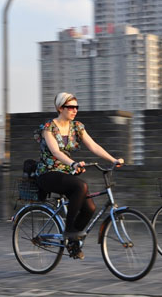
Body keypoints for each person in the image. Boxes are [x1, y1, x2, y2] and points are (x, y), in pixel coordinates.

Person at [34, 92, 124, 259]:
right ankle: (70, 231)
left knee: (90, 208)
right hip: (48, 173)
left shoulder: (77, 127)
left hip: (66, 172)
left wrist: (113, 159)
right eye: (70, 107)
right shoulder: (49, 127)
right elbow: (55, 151)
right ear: (60, 108)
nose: (74, 110)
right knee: (80, 186)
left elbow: (93, 146)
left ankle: (73, 244)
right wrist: (73, 164)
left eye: (76, 107)